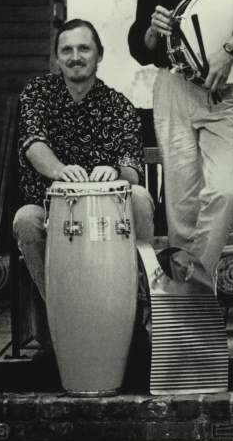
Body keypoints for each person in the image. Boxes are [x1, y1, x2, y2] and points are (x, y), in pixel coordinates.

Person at [127, 0, 233, 289]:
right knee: (181, 204)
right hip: (173, 88)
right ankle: (191, 305)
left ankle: (191, 285)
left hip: (224, 91)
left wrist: (230, 51)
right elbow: (140, 48)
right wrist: (152, 31)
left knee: (224, 189)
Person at [13, 19, 154, 300]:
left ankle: (135, 301)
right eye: (66, 50)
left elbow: (132, 167)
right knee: (26, 219)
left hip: (108, 216)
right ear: (57, 58)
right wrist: (59, 170)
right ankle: (59, 307)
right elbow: (33, 143)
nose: (75, 57)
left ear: (99, 55)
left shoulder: (118, 106)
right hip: (51, 210)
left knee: (138, 196)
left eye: (84, 49)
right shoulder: (38, 92)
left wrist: (115, 171)